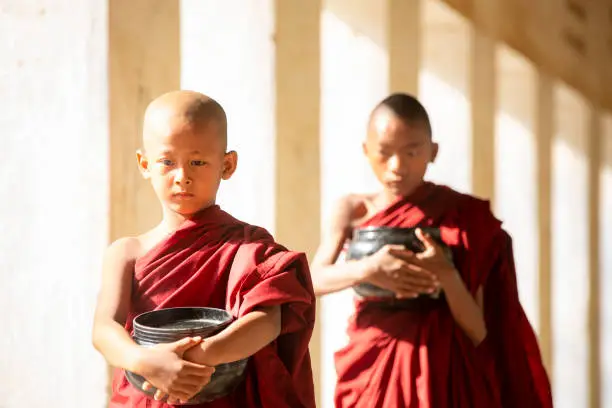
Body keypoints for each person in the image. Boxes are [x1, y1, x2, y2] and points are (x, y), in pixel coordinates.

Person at [311, 93, 552, 407]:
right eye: (384, 153)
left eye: (412, 152)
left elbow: (479, 330)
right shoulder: (353, 210)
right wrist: (369, 268)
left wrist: (446, 273)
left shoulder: (461, 219)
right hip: (372, 365)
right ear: (366, 151)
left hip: (443, 371)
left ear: (433, 152)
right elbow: (313, 280)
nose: (397, 167)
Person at [92, 90, 316, 408]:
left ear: (227, 164)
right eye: (167, 161)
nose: (182, 176)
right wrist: (146, 362)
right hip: (149, 395)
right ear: (144, 164)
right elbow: (104, 329)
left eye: (197, 162)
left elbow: (268, 321)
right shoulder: (126, 252)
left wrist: (196, 357)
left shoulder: (247, 245)